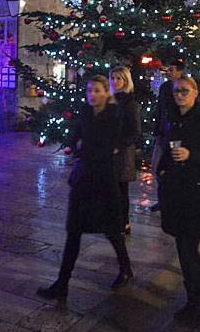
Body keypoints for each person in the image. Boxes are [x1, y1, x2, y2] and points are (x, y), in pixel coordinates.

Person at [38, 76, 132, 302]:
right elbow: (74, 138)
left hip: (103, 181)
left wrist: (87, 146)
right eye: (90, 90)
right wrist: (82, 145)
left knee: (112, 229)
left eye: (98, 90)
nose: (92, 95)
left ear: (106, 93)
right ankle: (62, 283)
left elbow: (107, 146)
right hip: (83, 179)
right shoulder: (85, 113)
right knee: (74, 232)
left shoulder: (113, 116)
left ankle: (125, 268)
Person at [157, 76, 200, 325]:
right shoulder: (172, 117)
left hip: (196, 192)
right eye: (177, 91)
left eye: (185, 91)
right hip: (176, 190)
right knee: (183, 248)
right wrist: (162, 170)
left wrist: (191, 155)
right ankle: (195, 300)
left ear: (195, 93)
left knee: (189, 250)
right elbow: (166, 148)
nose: (180, 95)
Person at [151, 58, 186, 212]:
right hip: (163, 133)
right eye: (168, 69)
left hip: (176, 135)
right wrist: (157, 129)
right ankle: (162, 199)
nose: (169, 72)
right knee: (157, 165)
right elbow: (160, 109)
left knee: (174, 169)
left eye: (172, 69)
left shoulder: (185, 87)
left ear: (180, 72)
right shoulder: (165, 87)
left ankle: (174, 200)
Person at [111, 66, 141, 235]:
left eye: (119, 78)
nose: (115, 82)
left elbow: (135, 131)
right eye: (113, 78)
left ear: (126, 81)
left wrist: (119, 146)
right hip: (109, 152)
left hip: (121, 153)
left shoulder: (130, 103)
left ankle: (124, 222)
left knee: (121, 189)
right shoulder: (109, 99)